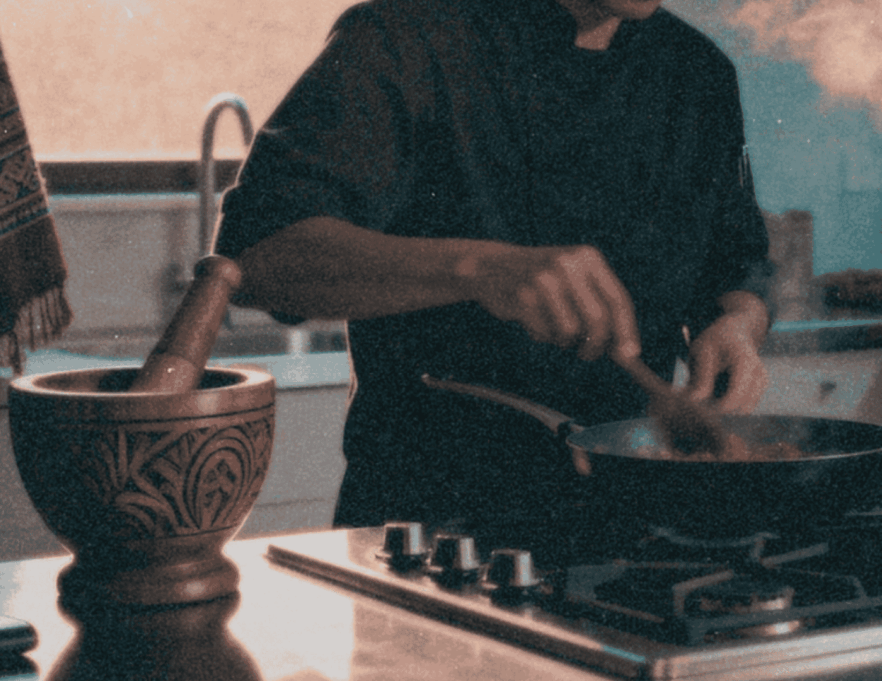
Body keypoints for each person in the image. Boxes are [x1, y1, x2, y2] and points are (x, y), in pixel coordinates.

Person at [215, 0, 775, 539]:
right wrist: (480, 267)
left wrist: (736, 325)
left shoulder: (698, 72)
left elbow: (736, 266)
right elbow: (259, 256)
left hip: (635, 522)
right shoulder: (406, 37)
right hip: (431, 527)